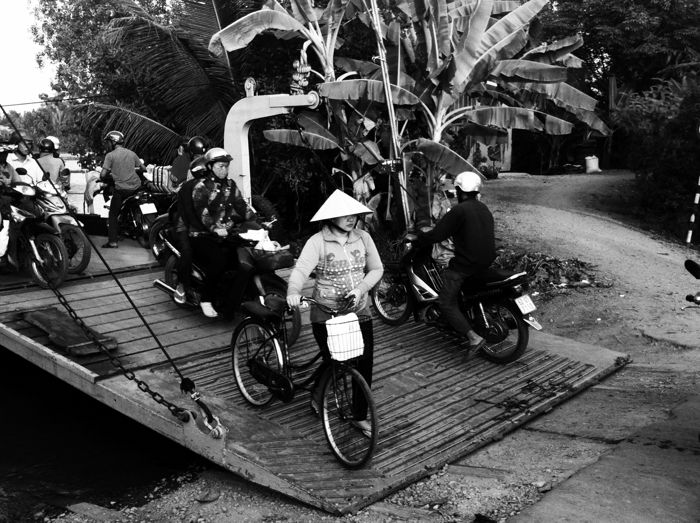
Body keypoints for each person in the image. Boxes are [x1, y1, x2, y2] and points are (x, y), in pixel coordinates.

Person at [286, 189, 383, 436]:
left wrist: (361, 289)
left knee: (363, 364)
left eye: (353, 214)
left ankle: (360, 416)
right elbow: (300, 271)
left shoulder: (363, 237)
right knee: (336, 360)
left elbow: (377, 269)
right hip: (325, 312)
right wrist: (294, 291)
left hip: (359, 311)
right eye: (344, 215)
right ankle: (318, 394)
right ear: (331, 218)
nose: (351, 219)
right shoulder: (317, 242)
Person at [415, 170, 496, 350]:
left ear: (459, 191)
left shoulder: (459, 210)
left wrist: (420, 237)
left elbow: (438, 234)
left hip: (465, 265)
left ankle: (473, 337)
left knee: (445, 302)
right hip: (486, 261)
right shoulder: (483, 208)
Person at [188, 147, 254, 317]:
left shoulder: (231, 185)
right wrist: (215, 229)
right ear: (210, 166)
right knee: (218, 261)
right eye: (220, 166)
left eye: (226, 166)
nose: (224, 170)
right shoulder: (201, 187)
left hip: (226, 233)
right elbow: (202, 213)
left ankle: (232, 300)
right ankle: (206, 299)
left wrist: (257, 220)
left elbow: (241, 205)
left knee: (244, 259)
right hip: (202, 235)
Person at [171, 137, 209, 305]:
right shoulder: (190, 174)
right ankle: (181, 285)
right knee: (187, 252)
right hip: (187, 222)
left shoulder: (214, 176)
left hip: (207, 222)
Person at [100, 130, 145, 248]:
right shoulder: (131, 153)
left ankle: (113, 242)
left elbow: (102, 175)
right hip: (136, 187)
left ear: (113, 142)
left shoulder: (110, 156)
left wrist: (111, 174)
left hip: (121, 190)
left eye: (108, 142)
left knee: (113, 214)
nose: (108, 144)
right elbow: (143, 168)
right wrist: (133, 170)